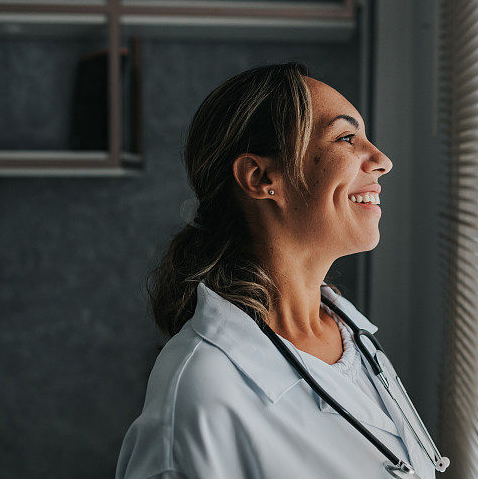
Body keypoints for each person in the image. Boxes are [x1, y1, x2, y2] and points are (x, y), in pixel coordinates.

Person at [115, 62, 438, 478]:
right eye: (345, 137)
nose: (382, 160)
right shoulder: (199, 395)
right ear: (261, 176)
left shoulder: (346, 332)